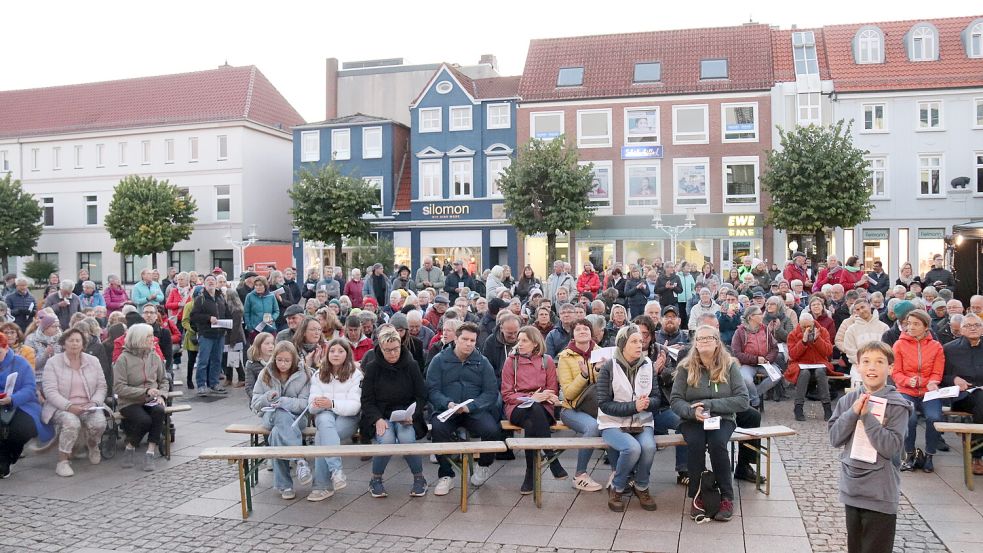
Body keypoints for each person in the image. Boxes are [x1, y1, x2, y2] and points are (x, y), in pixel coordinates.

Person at [828, 341, 910, 553]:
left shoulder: (897, 405)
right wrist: (852, 413)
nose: (872, 367)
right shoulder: (848, 400)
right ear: (858, 366)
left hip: (880, 492)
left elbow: (891, 447)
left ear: (890, 368)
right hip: (853, 486)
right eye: (866, 362)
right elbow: (835, 438)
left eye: (879, 362)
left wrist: (867, 417)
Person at [670, 325, 749, 522]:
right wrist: (691, 411)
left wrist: (710, 404)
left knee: (717, 444)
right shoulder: (685, 367)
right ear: (695, 344)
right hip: (692, 419)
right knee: (695, 444)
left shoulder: (730, 366)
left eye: (708, 338)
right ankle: (697, 496)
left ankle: (726, 496)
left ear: (717, 342)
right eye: (700, 339)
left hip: (722, 418)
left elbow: (743, 400)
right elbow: (675, 399)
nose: (704, 341)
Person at [426, 322, 501, 495]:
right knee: (438, 430)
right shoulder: (440, 360)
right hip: (447, 409)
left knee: (491, 430)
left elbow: (490, 392)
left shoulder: (482, 362)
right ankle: (446, 475)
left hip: (474, 410)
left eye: (472, 340)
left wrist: (472, 406)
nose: (469, 343)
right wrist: (447, 404)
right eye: (465, 339)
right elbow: (432, 389)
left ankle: (483, 465)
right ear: (456, 339)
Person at [596, 323, 660, 512]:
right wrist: (633, 406)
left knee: (648, 447)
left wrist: (648, 403)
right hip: (612, 423)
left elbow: (657, 397)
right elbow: (603, 403)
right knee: (632, 449)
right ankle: (617, 487)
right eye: (634, 341)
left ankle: (641, 486)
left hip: (642, 421)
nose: (639, 345)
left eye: (641, 341)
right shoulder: (609, 367)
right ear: (623, 344)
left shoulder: (648, 365)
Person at [360, 325, 429, 498]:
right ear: (381, 349)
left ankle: (419, 478)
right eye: (388, 350)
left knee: (406, 438)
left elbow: (421, 395)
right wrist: (377, 419)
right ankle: (376, 478)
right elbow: (367, 400)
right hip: (382, 414)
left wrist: (413, 415)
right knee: (387, 440)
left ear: (401, 346)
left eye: (396, 349)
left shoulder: (411, 365)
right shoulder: (373, 367)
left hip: (407, 414)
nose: (392, 353)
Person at [501, 326, 565, 494]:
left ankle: (530, 474)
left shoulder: (547, 360)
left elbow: (552, 389)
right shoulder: (511, 361)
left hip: (543, 407)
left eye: (524, 341)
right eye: (518, 340)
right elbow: (506, 394)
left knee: (532, 421)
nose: (519, 344)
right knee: (533, 409)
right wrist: (531, 398)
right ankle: (551, 458)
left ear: (535, 343)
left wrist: (541, 397)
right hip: (517, 407)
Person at [250, 341, 312, 499]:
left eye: (287, 360)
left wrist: (283, 401)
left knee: (278, 434)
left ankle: (285, 487)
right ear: (274, 358)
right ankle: (299, 460)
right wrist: (266, 398)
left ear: (293, 360)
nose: (283, 364)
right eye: (279, 360)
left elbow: (305, 403)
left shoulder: (304, 374)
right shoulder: (265, 373)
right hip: (270, 417)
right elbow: (255, 403)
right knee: (279, 415)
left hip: (297, 419)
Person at [41, 328, 107, 476]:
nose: (75, 344)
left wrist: (94, 403)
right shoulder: (53, 362)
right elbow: (50, 391)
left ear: (83, 344)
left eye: (78, 341)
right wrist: (69, 406)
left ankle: (93, 444)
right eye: (71, 340)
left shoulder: (93, 361)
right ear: (64, 343)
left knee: (99, 423)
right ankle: (62, 461)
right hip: (61, 406)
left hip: (89, 405)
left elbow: (101, 386)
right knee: (72, 423)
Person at [307, 338, 363, 501]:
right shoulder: (318, 374)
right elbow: (311, 406)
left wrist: (331, 403)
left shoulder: (355, 374)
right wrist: (320, 405)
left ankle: (322, 486)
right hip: (325, 416)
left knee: (322, 436)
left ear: (347, 354)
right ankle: (336, 471)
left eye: (340, 351)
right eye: (332, 351)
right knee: (324, 423)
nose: (336, 354)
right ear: (327, 353)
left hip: (348, 418)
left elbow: (354, 406)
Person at [891, 309, 944, 473]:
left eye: (916, 324)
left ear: (925, 326)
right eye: (908, 323)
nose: (911, 327)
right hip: (906, 390)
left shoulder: (936, 346)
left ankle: (929, 455)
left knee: (934, 418)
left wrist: (931, 382)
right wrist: (908, 381)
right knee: (910, 418)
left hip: (929, 391)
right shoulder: (899, 344)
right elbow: (895, 371)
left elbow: (937, 372)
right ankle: (910, 453)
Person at [556, 319, 605, 492]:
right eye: (578, 329)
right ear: (573, 334)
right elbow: (568, 393)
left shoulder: (602, 353)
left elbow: (608, 387)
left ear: (592, 333)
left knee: (614, 425)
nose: (582, 331)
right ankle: (580, 475)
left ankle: (617, 473)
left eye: (586, 328)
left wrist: (598, 371)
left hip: (597, 406)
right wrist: (584, 376)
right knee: (592, 427)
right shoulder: (565, 357)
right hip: (572, 409)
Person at [113, 323, 168, 471]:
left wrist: (162, 394)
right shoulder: (123, 359)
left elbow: (164, 380)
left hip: (151, 399)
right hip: (129, 401)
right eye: (149, 336)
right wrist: (144, 391)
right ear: (139, 339)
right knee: (144, 420)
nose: (153, 339)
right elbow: (119, 388)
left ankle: (150, 452)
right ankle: (130, 447)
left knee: (159, 411)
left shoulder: (154, 356)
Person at [943, 313, 983, 475]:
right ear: (960, 329)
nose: (973, 328)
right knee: (981, 399)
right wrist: (954, 378)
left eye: (977, 325)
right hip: (963, 396)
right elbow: (940, 377)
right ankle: (977, 456)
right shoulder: (950, 349)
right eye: (968, 325)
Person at [785, 313, 834, 421]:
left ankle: (827, 407)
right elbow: (793, 355)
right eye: (804, 327)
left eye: (809, 326)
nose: (807, 329)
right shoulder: (793, 334)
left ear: (813, 323)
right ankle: (798, 407)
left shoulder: (823, 331)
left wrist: (817, 340)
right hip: (800, 364)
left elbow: (828, 351)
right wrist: (803, 341)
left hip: (819, 363)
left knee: (820, 372)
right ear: (799, 324)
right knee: (804, 373)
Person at [731, 306, 781, 409]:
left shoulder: (765, 329)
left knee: (776, 376)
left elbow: (774, 348)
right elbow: (736, 353)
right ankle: (755, 401)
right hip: (747, 364)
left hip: (765, 363)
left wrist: (768, 359)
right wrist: (756, 359)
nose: (762, 316)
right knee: (746, 379)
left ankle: (753, 397)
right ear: (751, 317)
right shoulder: (740, 332)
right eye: (759, 314)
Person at [189, 275, 230, 396]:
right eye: (208, 280)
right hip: (206, 334)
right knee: (203, 360)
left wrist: (228, 323)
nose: (211, 282)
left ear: (217, 283)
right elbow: (194, 316)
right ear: (204, 284)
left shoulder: (221, 297)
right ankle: (201, 385)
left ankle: (214, 383)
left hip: (220, 334)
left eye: (213, 280)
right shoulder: (200, 299)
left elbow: (226, 312)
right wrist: (208, 318)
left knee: (217, 360)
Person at [223, 289, 247, 386]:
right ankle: (229, 377)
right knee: (228, 357)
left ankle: (242, 378)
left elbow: (236, 327)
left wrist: (232, 341)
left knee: (234, 358)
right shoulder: (228, 308)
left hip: (235, 337)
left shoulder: (236, 310)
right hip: (229, 336)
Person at [244, 332, 274, 402]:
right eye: (267, 343)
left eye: (272, 343)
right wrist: (258, 399)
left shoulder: (277, 361)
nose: (271, 346)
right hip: (259, 399)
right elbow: (249, 387)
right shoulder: (251, 364)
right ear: (258, 345)